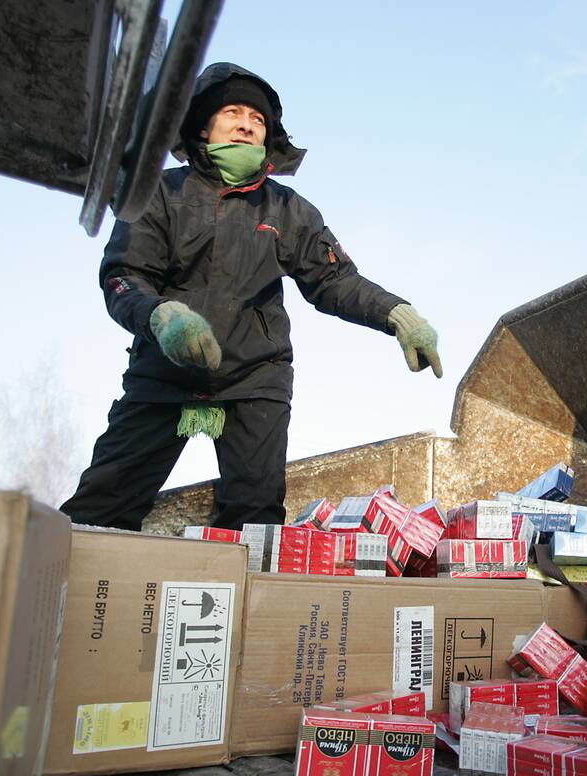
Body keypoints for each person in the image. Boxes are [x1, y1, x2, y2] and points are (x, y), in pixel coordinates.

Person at [60, 63, 441, 531]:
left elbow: (335, 281)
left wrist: (397, 313)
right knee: (100, 508)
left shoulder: (287, 208)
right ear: (204, 127)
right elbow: (124, 275)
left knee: (256, 519)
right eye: (233, 113)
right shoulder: (159, 192)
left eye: (257, 119)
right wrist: (161, 316)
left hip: (254, 377)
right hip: (163, 372)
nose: (246, 124)